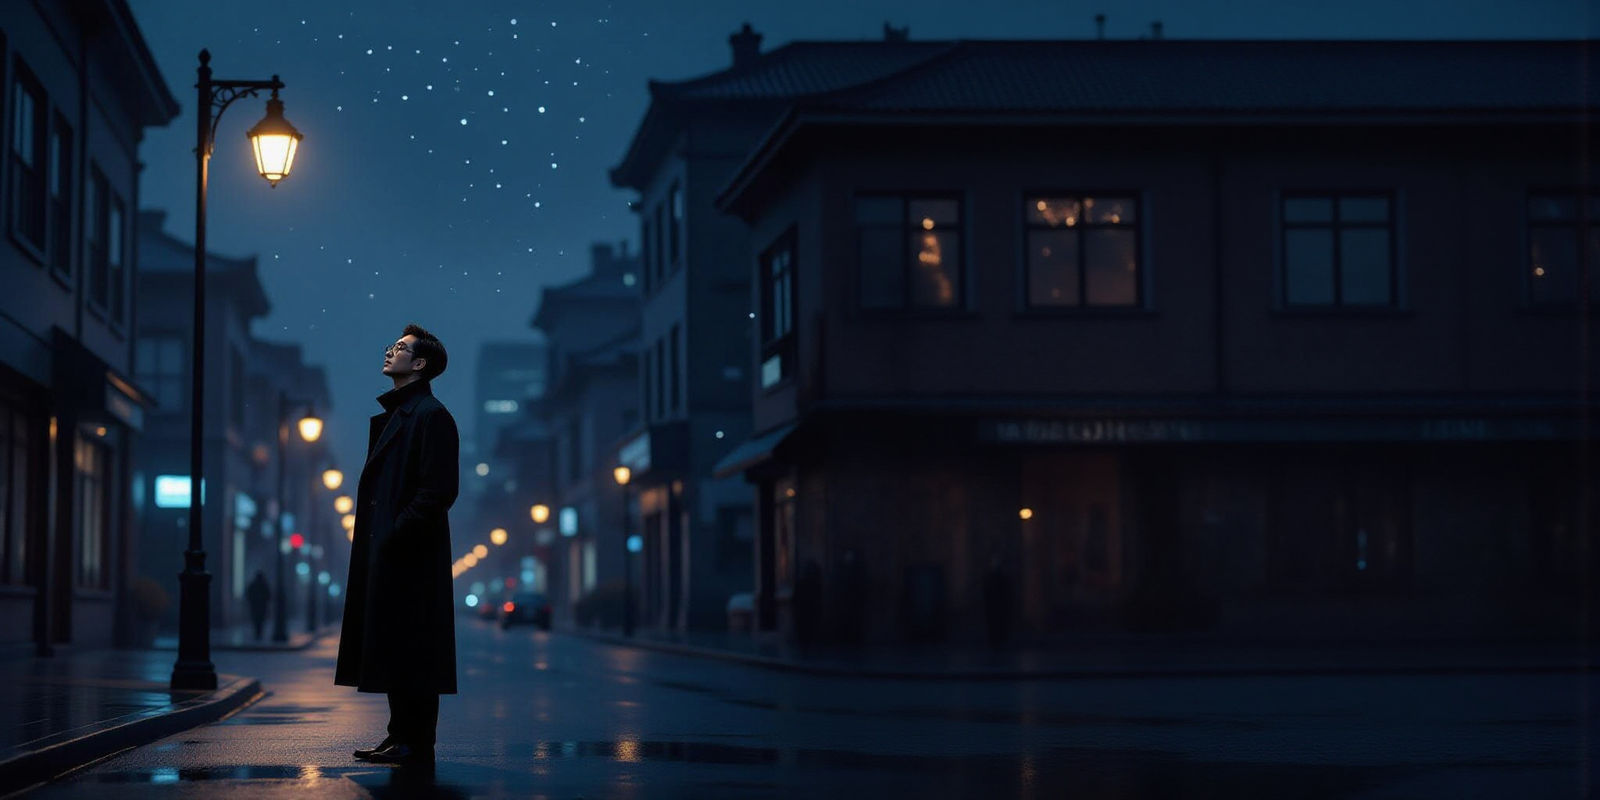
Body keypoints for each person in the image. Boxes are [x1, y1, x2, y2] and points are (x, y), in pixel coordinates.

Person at [335, 324, 460, 765]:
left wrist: (394, 534)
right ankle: (399, 736)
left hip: (412, 556)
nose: (390, 352)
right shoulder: (403, 415)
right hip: (393, 552)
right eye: (392, 346)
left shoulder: (431, 415)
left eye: (401, 348)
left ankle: (415, 742)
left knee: (414, 650)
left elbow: (438, 490)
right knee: (393, 645)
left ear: (420, 364)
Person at [245, 570, 271, 641]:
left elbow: (248, 594)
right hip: (261, 607)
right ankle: (259, 633)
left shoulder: (254, 585)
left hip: (255, 606)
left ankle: (257, 633)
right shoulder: (264, 585)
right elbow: (268, 596)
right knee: (260, 620)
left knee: (256, 620)